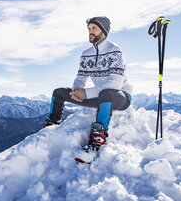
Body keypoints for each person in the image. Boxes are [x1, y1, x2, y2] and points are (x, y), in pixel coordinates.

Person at [44, 16, 133, 152]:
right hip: (99, 97)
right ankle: (51, 128)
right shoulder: (86, 54)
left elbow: (115, 83)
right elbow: (80, 78)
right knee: (59, 92)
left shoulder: (115, 51)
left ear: (103, 30)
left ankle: (98, 139)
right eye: (89, 28)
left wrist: (85, 93)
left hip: (120, 97)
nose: (90, 31)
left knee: (107, 93)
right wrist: (76, 90)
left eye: (94, 28)